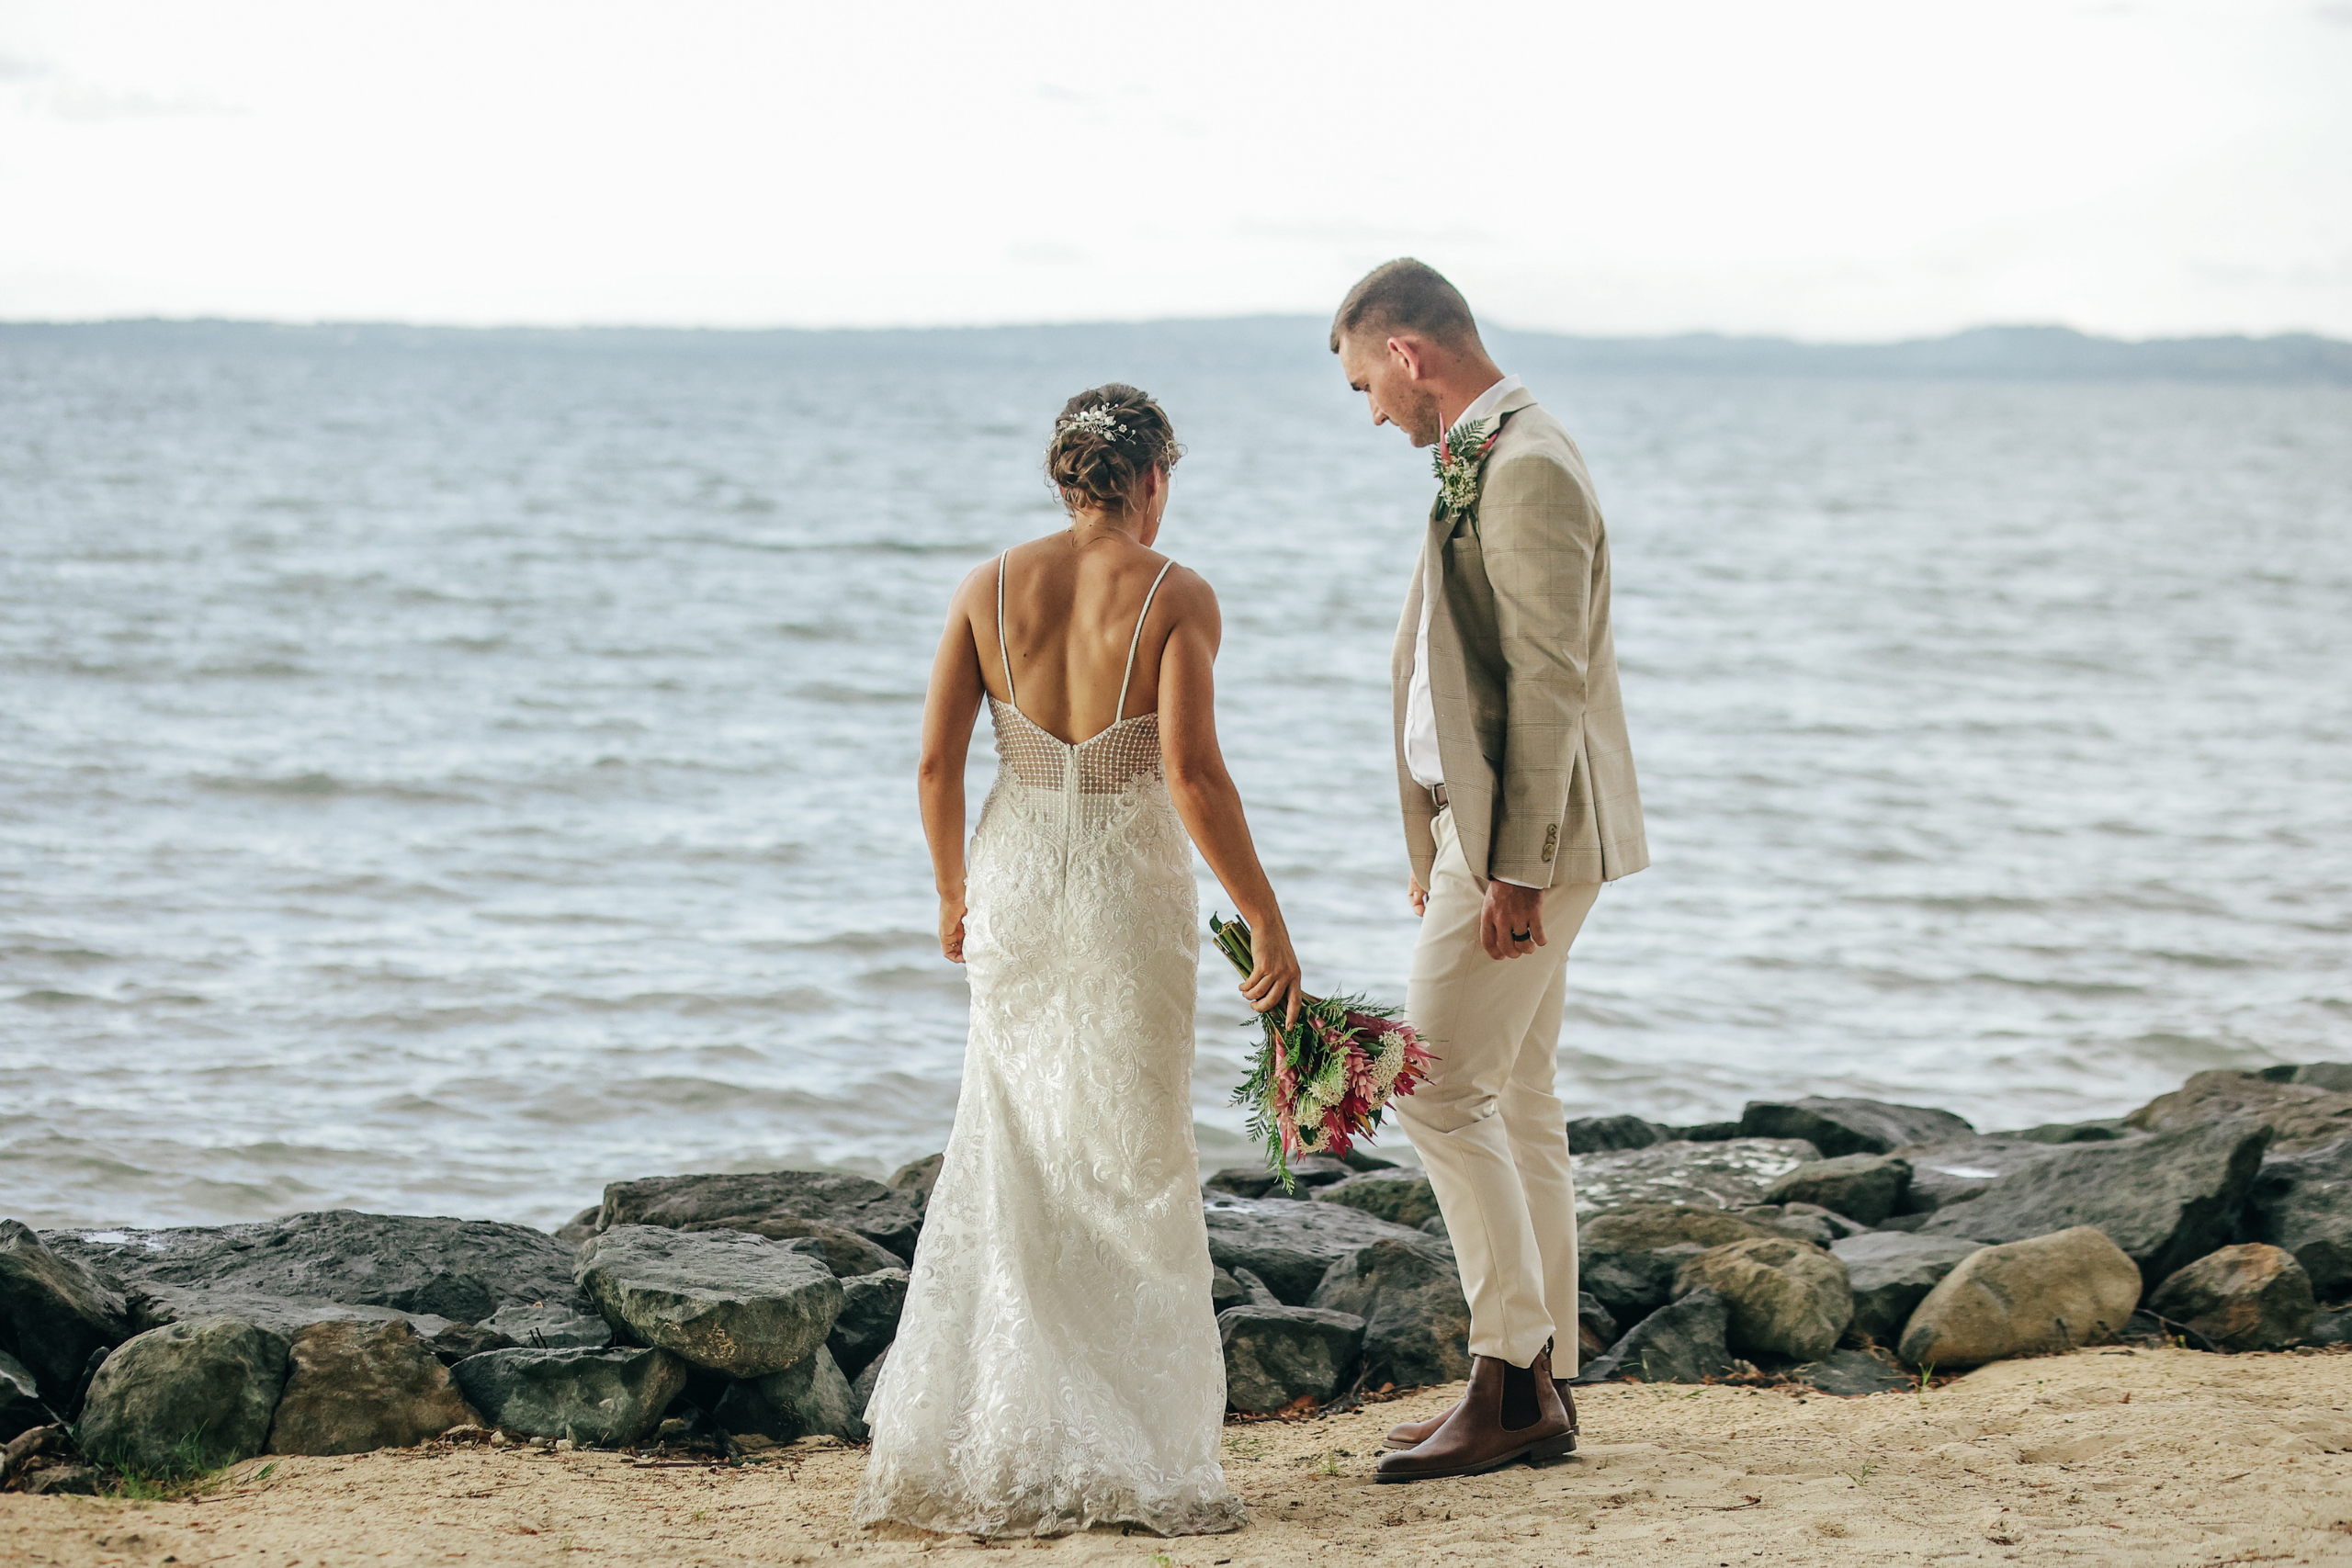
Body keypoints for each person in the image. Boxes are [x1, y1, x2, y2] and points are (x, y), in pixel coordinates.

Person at [855, 384, 1301, 1538]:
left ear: (1065, 478)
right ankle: (1134, 1451)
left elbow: (934, 765)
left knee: (1014, 1141)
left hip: (1013, 881)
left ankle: (999, 1435)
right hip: (1121, 885)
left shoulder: (986, 587)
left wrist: (952, 891)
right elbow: (1195, 776)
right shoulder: (1174, 593)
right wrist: (1264, 915)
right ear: (1149, 477)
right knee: (1135, 1152)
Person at [1329, 259, 1649, 1483]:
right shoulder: (1489, 454)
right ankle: (1544, 1380)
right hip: (1493, 834)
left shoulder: (1525, 465)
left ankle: (1507, 1373)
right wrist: (1431, 832)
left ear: (1410, 354)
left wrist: (1509, 864)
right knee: (1514, 1094)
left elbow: (1547, 682)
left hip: (1525, 841)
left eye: (1368, 382)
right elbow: (1455, 674)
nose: (1372, 412)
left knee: (1430, 1086)